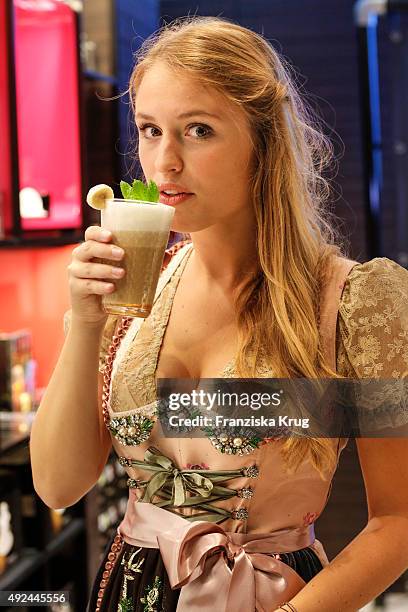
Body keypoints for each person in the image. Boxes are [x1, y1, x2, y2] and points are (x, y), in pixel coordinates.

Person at [29, 16, 408, 612]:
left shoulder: (357, 303)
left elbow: (399, 519)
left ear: (265, 142)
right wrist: (85, 323)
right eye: (150, 130)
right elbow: (56, 485)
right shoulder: (131, 291)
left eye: (198, 130)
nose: (165, 163)